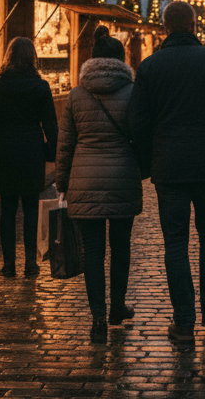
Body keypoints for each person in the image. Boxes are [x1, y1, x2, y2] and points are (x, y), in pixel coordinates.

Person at [128, 1, 205, 344]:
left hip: (169, 165)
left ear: (165, 27)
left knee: (175, 241)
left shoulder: (150, 66)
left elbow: (137, 119)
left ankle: (183, 320)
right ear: (194, 26)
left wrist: (151, 154)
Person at [55, 33, 142, 341]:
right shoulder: (133, 92)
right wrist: (139, 171)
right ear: (122, 61)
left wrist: (62, 182)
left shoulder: (77, 95)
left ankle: (97, 318)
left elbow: (65, 144)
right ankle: (117, 306)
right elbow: (142, 137)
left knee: (92, 251)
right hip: (122, 179)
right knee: (121, 248)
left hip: (84, 181)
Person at [0, 37, 58, 278]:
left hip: (6, 151)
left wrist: (4, 127)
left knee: (8, 210)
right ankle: (31, 264)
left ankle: (8, 264)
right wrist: (51, 153)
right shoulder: (41, 87)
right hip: (32, 151)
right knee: (31, 209)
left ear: (9, 56)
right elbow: (51, 125)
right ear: (31, 57)